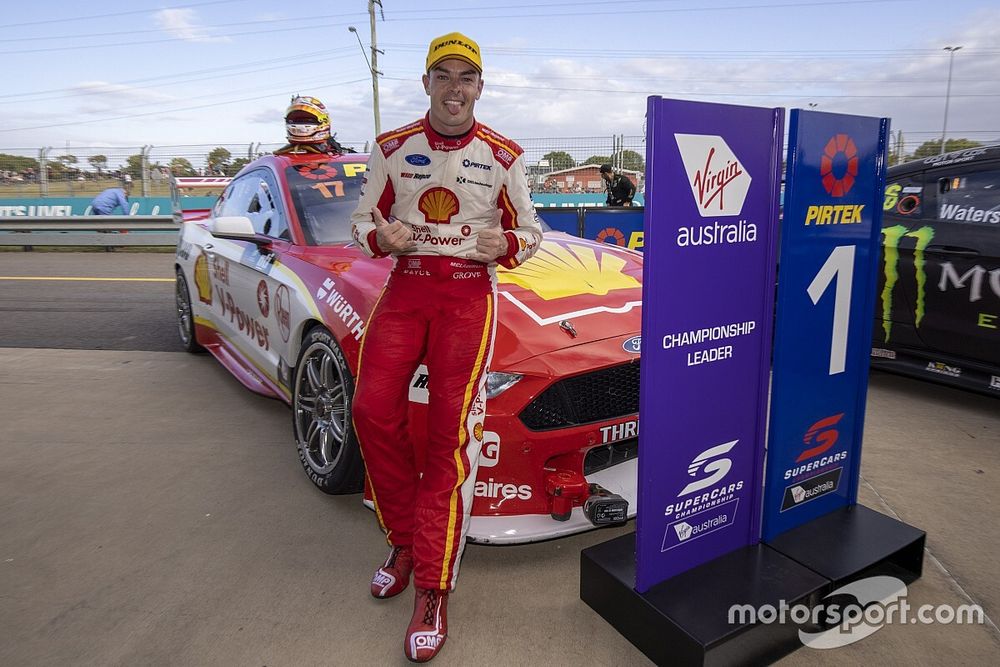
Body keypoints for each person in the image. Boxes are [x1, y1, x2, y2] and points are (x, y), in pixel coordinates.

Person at [350, 31, 542, 663]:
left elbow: (530, 231)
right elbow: (358, 223)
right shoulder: (391, 148)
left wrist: (507, 247)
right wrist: (383, 239)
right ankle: (403, 539)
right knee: (372, 411)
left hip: (466, 297)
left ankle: (432, 586)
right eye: (443, 76)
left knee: (448, 438)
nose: (454, 88)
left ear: (479, 87)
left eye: (466, 77)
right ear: (426, 82)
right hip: (406, 288)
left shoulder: (504, 154)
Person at [274, 95, 353, 155]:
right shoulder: (278, 159)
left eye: (308, 120)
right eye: (297, 120)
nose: (302, 123)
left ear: (323, 121)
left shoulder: (341, 154)